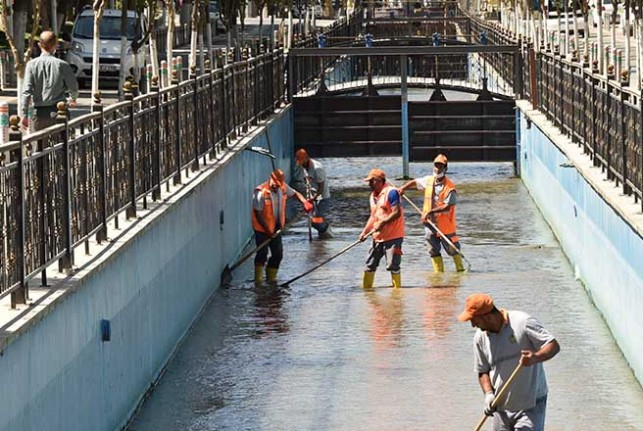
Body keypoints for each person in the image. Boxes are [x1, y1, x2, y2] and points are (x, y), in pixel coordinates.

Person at [458, 293, 561, 431]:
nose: (473, 325)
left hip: (531, 404)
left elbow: (553, 345)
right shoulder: (479, 338)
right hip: (501, 407)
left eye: (474, 320)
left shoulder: (522, 322)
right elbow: (483, 371)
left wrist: (535, 357)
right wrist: (488, 395)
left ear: (487, 316)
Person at [398, 154, 464, 273]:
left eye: (440, 166)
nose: (437, 168)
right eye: (436, 165)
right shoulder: (428, 180)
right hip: (429, 224)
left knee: (453, 250)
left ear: (445, 169)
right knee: (433, 250)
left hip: (446, 227)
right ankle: (438, 276)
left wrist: (430, 211)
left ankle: (460, 271)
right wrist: (403, 188)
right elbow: (415, 182)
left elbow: (448, 207)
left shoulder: (450, 188)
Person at [252, 169, 313, 284]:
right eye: (275, 185)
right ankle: (258, 282)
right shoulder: (260, 192)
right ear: (271, 179)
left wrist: (304, 202)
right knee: (262, 254)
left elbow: (295, 194)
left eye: (278, 185)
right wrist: (268, 231)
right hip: (262, 229)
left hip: (276, 228)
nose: (277, 188)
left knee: (278, 254)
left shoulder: (282, 187)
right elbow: (258, 214)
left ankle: (271, 280)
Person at [20, 31, 79, 132]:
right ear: (56, 45)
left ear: (39, 45)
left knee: (38, 145)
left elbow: (26, 91)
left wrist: (23, 115)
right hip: (59, 112)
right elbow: (73, 87)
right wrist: (73, 98)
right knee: (61, 144)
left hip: (38, 113)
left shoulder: (31, 64)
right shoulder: (62, 65)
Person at [358, 168, 405, 289]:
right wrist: (364, 232)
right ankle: (367, 292)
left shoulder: (392, 192)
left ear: (379, 181)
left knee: (393, 265)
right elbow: (373, 216)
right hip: (377, 237)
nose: (369, 184)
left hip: (394, 236)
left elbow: (397, 213)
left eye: (371, 181)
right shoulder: (372, 197)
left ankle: (397, 295)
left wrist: (383, 222)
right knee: (369, 264)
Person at [291, 148, 333, 239]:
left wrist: (312, 199)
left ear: (306, 158)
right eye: (299, 162)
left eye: (302, 161)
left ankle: (327, 231)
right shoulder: (303, 166)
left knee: (316, 221)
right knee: (313, 220)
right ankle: (322, 241)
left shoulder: (317, 169)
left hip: (322, 198)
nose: (301, 164)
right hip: (313, 196)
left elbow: (321, 188)